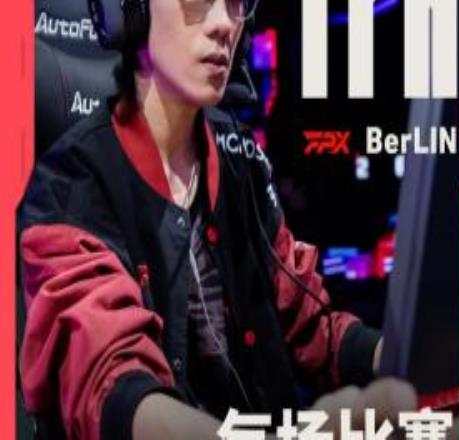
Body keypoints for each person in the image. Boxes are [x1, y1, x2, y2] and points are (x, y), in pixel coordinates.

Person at [18, 0, 416, 439]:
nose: (225, 24)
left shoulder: (240, 159)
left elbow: (311, 327)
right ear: (132, 10)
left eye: (235, 3)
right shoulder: (69, 184)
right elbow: (112, 384)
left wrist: (402, 359)